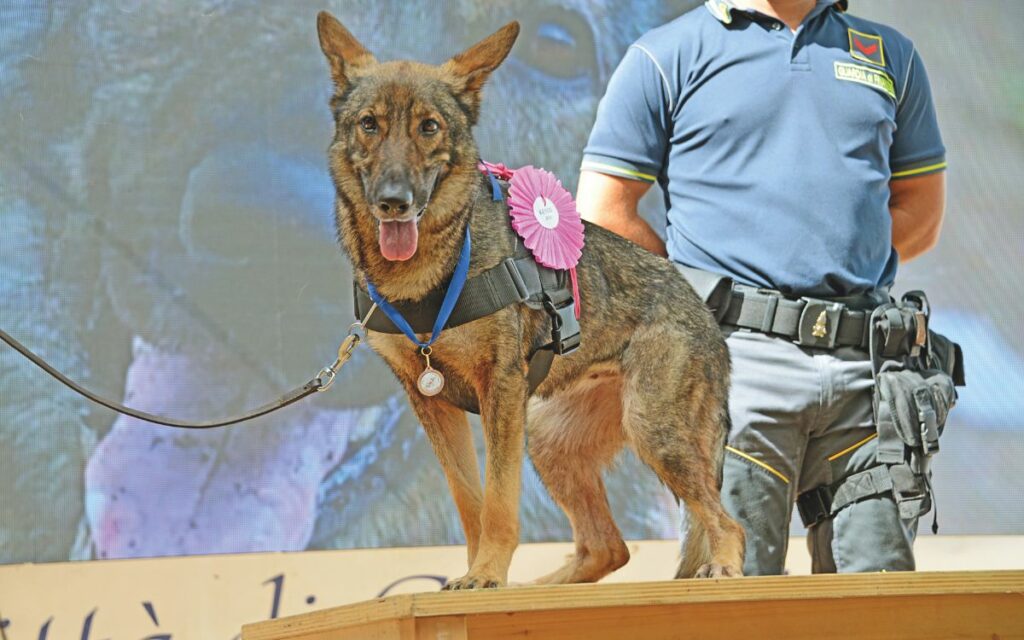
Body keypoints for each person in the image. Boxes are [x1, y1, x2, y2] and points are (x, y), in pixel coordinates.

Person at [576, 0, 947, 574]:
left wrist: (837, 256)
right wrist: (694, 305)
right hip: (731, 363)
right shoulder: (664, 55)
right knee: (734, 597)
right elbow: (602, 214)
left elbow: (920, 212)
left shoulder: (889, 53)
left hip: (868, 367)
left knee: (879, 603)